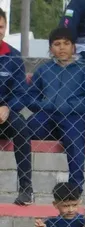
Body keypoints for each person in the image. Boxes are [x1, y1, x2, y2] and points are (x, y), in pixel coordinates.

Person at [23, 29, 85, 192]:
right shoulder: (44, 70)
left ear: (74, 47)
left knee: (74, 139)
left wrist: (70, 106)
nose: (62, 47)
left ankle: (76, 187)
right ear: (51, 49)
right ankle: (25, 186)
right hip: (48, 115)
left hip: (74, 117)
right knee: (26, 128)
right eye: (57, 44)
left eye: (66, 43)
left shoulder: (84, 70)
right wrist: (46, 104)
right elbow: (30, 96)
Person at [0, 9, 34, 205]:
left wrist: (7, 108)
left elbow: (21, 93)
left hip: (5, 116)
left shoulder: (13, 56)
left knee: (21, 124)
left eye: (1, 26)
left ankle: (26, 189)